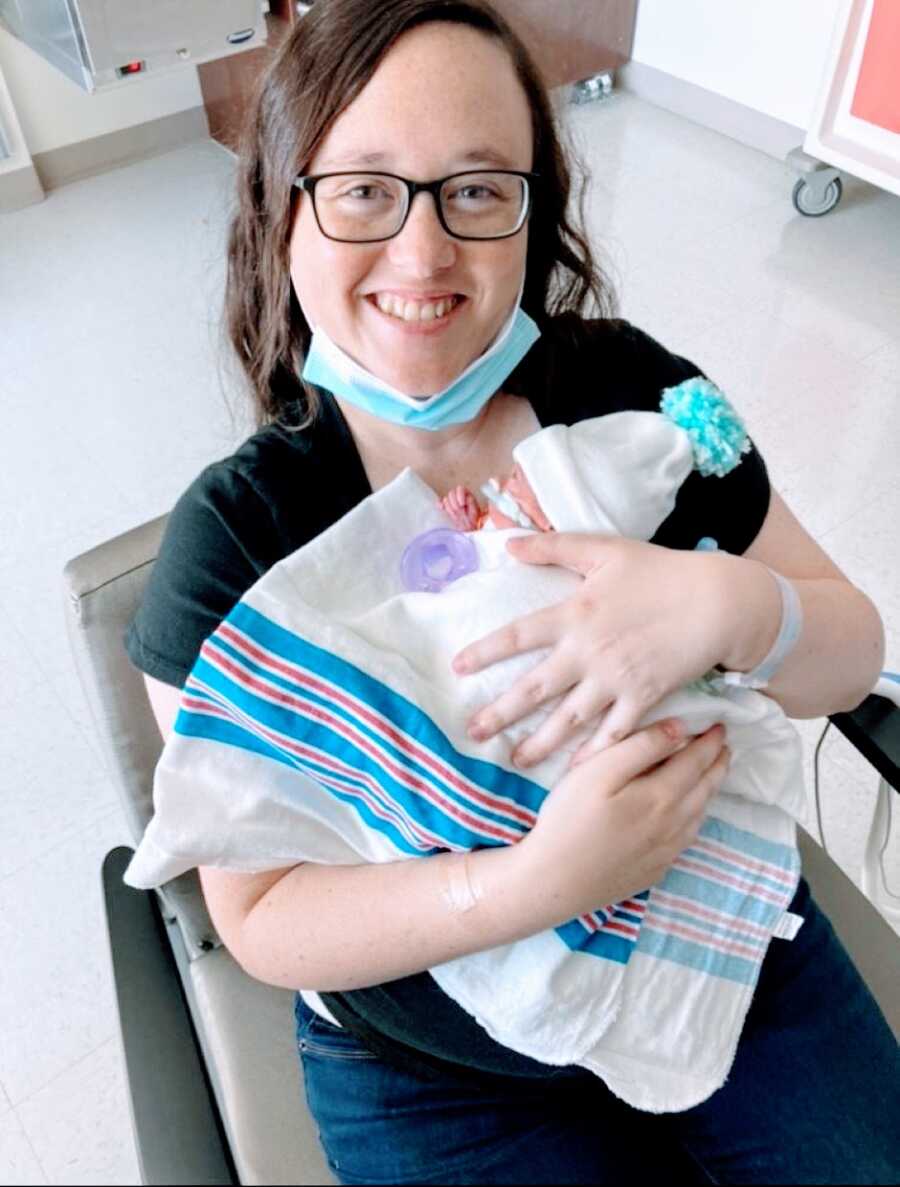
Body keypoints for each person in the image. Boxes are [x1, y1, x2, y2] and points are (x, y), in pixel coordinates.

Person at [126, 0, 899, 1181]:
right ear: (284, 207)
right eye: (366, 189)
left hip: (720, 940)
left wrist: (742, 610)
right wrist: (535, 885)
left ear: (533, 213)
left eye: (478, 189)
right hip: (439, 1072)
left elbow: (853, 654)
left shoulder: (635, 402)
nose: (426, 252)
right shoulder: (237, 548)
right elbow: (261, 910)